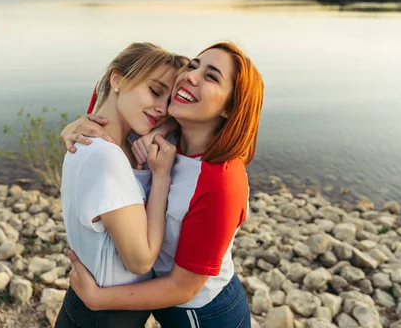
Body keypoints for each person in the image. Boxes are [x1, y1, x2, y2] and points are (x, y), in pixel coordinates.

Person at [61, 42, 264, 328]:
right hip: (153, 300)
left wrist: (98, 300)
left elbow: (184, 287)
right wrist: (73, 128)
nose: (192, 76)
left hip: (200, 314)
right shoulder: (162, 132)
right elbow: (111, 101)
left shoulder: (221, 182)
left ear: (230, 108)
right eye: (194, 65)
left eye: (211, 76)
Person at [55, 42, 188, 327]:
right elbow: (140, 261)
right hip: (105, 316)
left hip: (94, 306)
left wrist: (163, 128)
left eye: (169, 102)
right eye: (154, 91)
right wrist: (161, 176)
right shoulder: (106, 156)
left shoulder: (113, 141)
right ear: (118, 79)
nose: (162, 109)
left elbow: (198, 117)